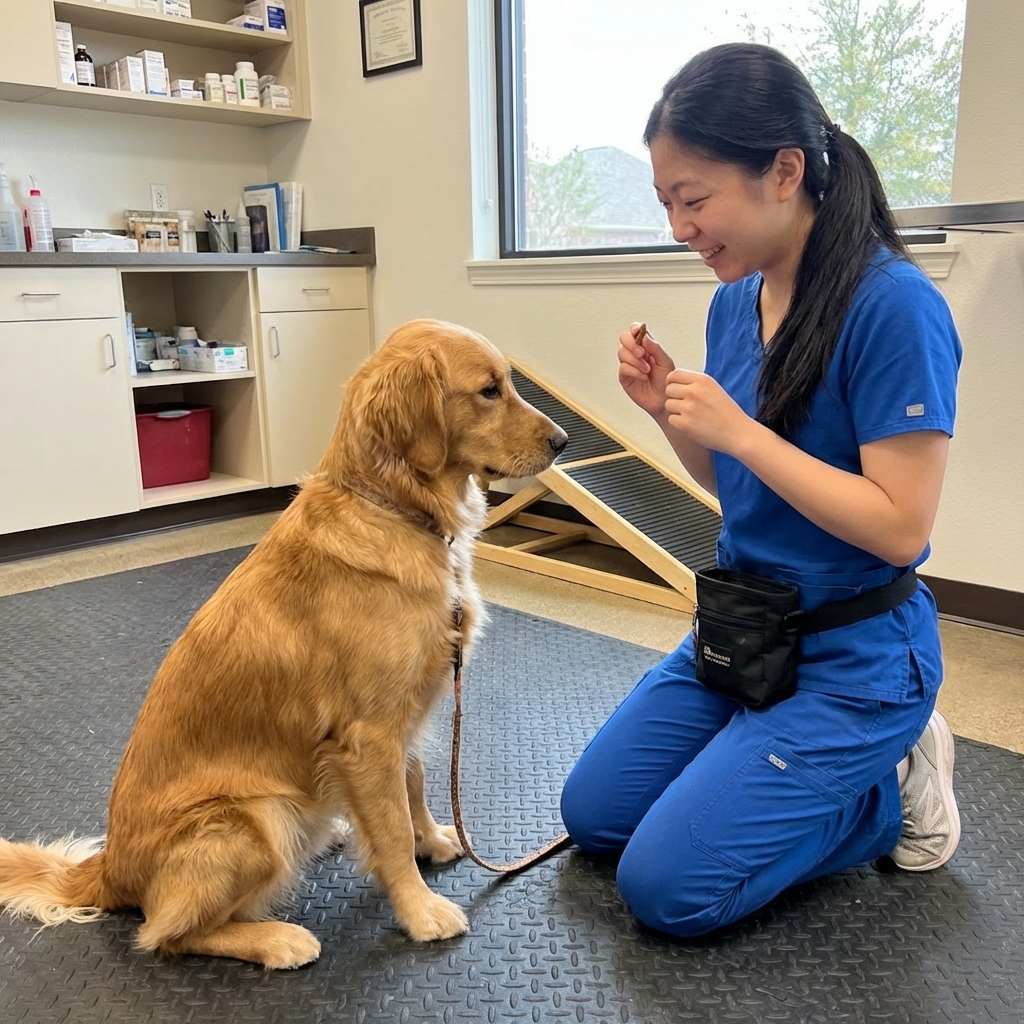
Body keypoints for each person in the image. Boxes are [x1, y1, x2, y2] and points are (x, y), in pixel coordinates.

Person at [559, 42, 963, 938]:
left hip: (856, 655)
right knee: (595, 817)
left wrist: (741, 428)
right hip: (745, 631)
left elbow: (901, 529)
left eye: (693, 199)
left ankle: (890, 795)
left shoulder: (894, 305)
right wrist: (671, 414)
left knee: (667, 890)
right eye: (666, 202)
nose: (678, 227)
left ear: (785, 171)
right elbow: (727, 481)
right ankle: (774, 770)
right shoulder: (731, 303)